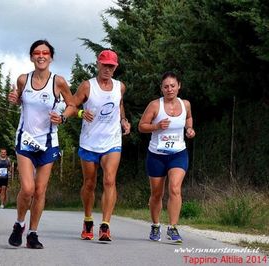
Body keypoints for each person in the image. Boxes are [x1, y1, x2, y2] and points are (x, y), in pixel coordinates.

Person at [7, 39, 75, 249]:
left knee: (40, 190)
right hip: (26, 139)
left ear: (51, 57)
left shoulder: (59, 82)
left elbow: (72, 104)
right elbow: (19, 99)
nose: (41, 56)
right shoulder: (22, 79)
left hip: (48, 142)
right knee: (27, 188)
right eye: (37, 53)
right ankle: (19, 224)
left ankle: (33, 233)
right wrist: (14, 98)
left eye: (45, 53)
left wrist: (63, 117)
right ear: (31, 57)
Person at [73, 50, 131, 241]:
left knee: (109, 180)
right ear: (98, 64)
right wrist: (81, 114)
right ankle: (88, 220)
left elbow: (120, 104)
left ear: (115, 67)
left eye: (111, 66)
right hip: (89, 142)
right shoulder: (87, 86)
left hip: (112, 141)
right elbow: (71, 106)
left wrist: (123, 120)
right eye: (104, 65)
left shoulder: (119, 87)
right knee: (89, 183)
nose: (107, 69)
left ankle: (105, 225)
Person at [138, 71, 196, 243]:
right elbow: (141, 126)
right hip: (156, 155)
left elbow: (189, 118)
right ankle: (156, 225)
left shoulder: (185, 104)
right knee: (156, 194)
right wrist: (156, 126)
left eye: (172, 86)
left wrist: (189, 129)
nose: (169, 89)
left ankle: (173, 227)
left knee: (175, 188)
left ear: (179, 86)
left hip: (178, 154)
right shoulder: (155, 105)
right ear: (161, 89)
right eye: (166, 86)